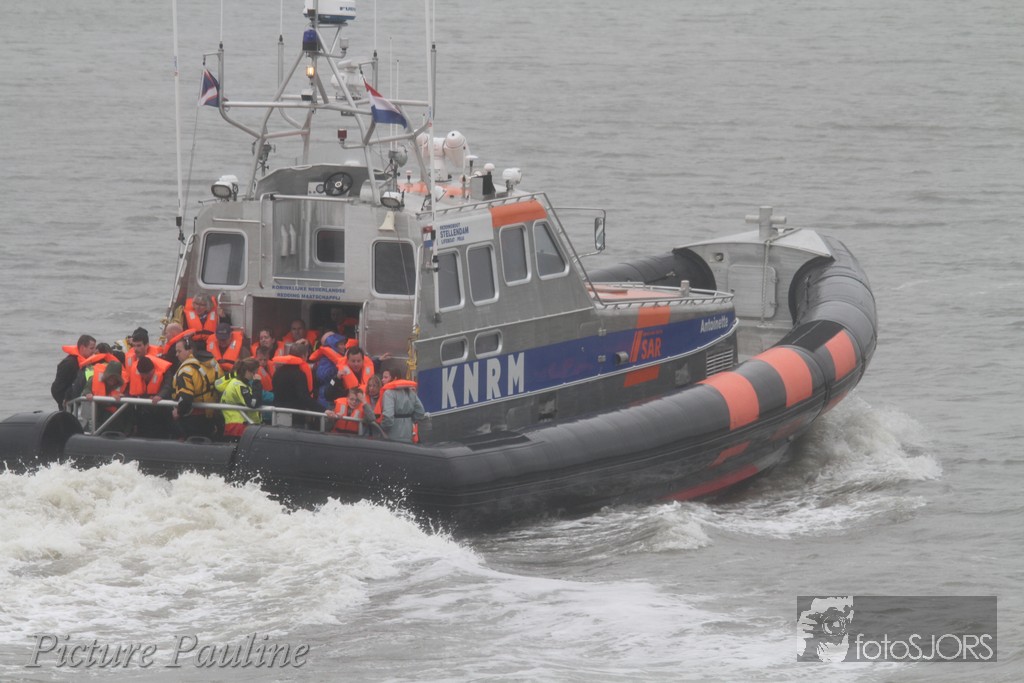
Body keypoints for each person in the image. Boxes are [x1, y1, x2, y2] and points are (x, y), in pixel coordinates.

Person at [172, 338, 223, 439]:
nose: (176, 355)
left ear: (189, 350)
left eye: (179, 351)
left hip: (192, 418)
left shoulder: (187, 371)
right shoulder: (215, 365)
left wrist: (178, 412)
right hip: (213, 416)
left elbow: (186, 398)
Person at [270, 340, 323, 427]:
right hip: (295, 418)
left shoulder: (278, 372)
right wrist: (323, 410)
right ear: (303, 356)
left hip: (277, 414)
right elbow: (304, 397)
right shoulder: (299, 375)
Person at [125, 356, 174, 438]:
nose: (146, 377)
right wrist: (123, 396)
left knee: (162, 434)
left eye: (148, 375)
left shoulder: (165, 371)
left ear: (153, 370)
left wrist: (160, 396)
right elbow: (131, 390)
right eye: (143, 375)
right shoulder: (135, 373)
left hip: (161, 412)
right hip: (143, 412)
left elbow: (168, 386)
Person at [215, 358, 263, 440]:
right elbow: (253, 403)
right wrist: (257, 383)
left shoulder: (238, 382)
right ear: (248, 371)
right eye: (254, 372)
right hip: (238, 427)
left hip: (236, 425)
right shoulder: (239, 386)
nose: (256, 375)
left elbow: (218, 384)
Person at [51, 334, 97, 409]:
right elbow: (57, 389)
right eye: (91, 348)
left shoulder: (90, 363)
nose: (94, 351)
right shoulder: (69, 363)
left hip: (82, 403)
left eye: (95, 348)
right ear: (82, 348)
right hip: (68, 405)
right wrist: (64, 402)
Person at [380, 370, 425, 443]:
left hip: (392, 436)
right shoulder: (411, 392)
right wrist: (410, 420)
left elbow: (388, 417)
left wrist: (382, 428)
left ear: (394, 378)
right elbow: (420, 412)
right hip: (408, 434)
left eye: (386, 377)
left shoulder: (389, 393)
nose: (382, 380)